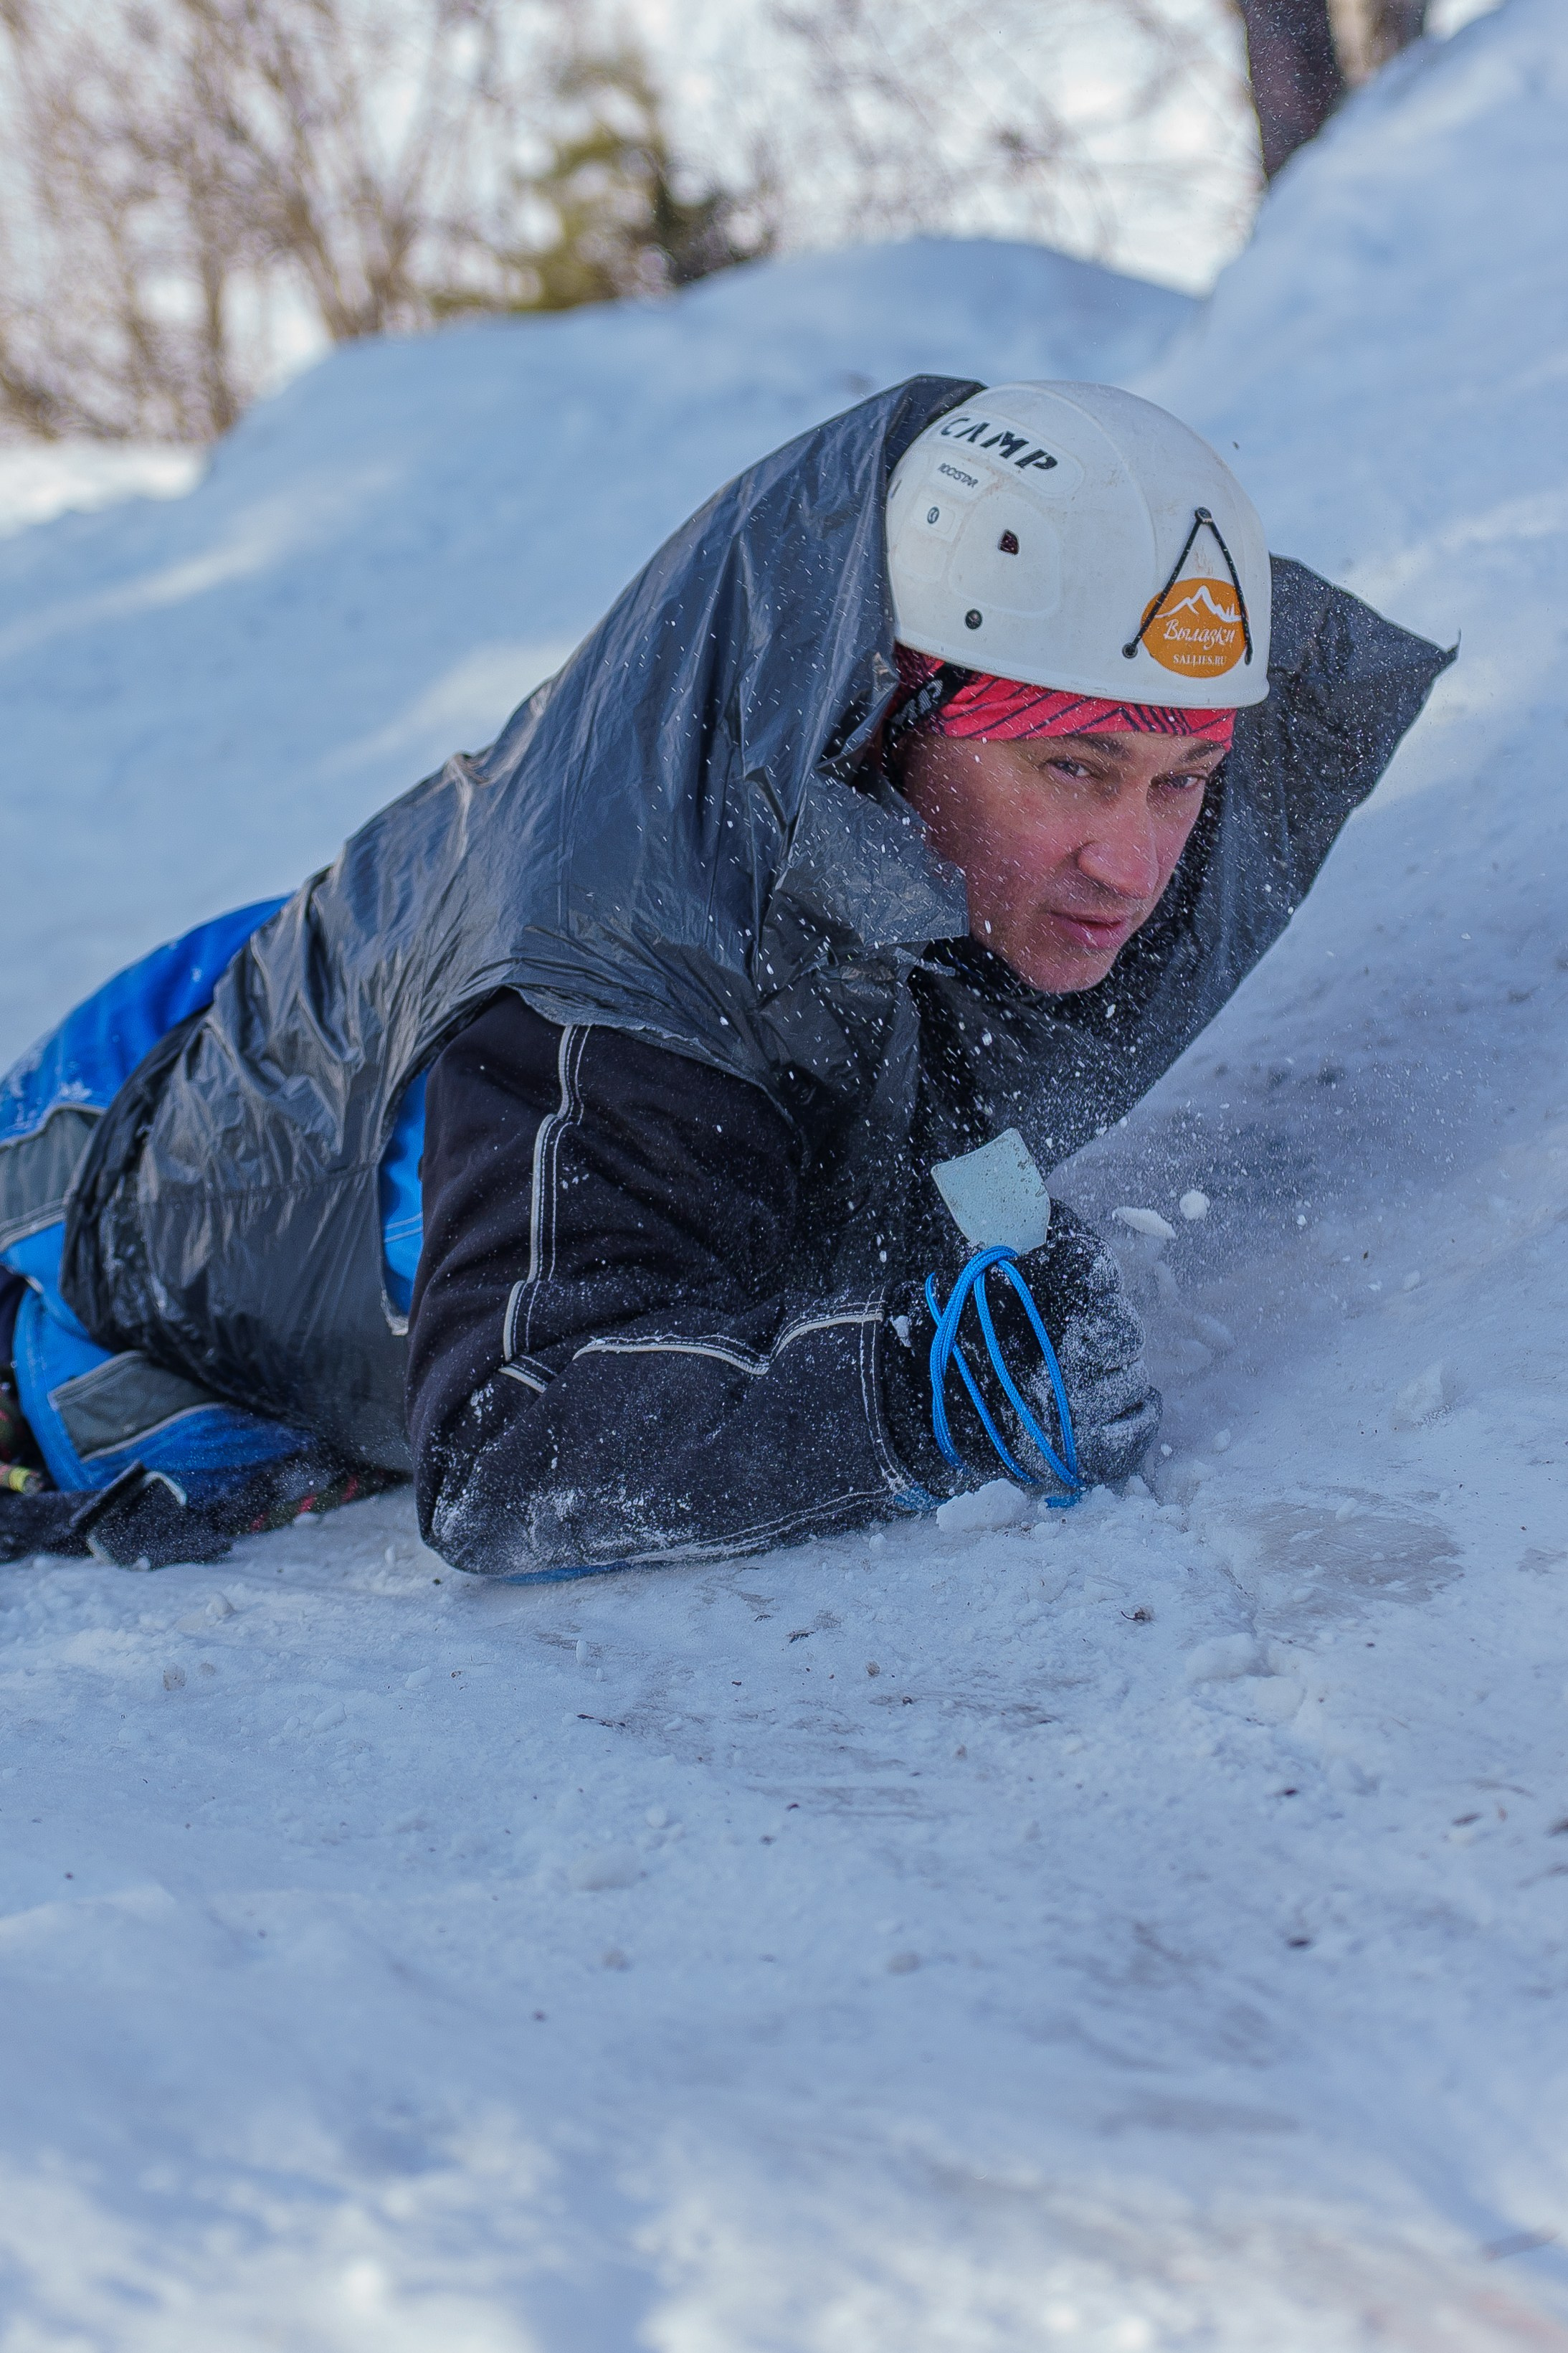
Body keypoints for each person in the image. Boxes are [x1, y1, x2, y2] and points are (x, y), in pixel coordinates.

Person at [0, 378, 1449, 1575]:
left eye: (1179, 782)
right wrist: (914, 1397)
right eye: (1072, 767)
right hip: (100, 1177)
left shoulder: (893, 831)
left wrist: (1011, 1257)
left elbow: (938, 1111)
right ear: (890, 702)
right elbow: (515, 1452)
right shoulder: (613, 998)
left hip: (375, 975)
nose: (1131, 866)